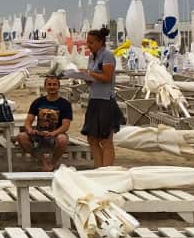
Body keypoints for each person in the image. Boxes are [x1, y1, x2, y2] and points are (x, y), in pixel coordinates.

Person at [76, 26, 122, 167]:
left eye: (91, 43)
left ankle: (106, 169)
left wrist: (90, 73)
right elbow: (93, 80)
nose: (88, 45)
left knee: (106, 139)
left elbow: (107, 77)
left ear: (100, 42)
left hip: (106, 100)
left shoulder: (107, 55)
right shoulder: (92, 57)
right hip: (94, 99)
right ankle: (98, 168)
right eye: (87, 42)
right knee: (92, 139)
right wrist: (85, 77)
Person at [17, 74, 73, 171]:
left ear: (58, 86)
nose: (52, 87)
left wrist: (53, 133)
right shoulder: (38, 102)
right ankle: (42, 161)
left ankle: (52, 163)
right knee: (21, 136)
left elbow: (65, 126)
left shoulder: (65, 104)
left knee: (63, 140)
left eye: (54, 84)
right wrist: (30, 130)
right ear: (45, 86)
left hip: (56, 134)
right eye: (49, 84)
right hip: (39, 133)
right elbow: (28, 121)